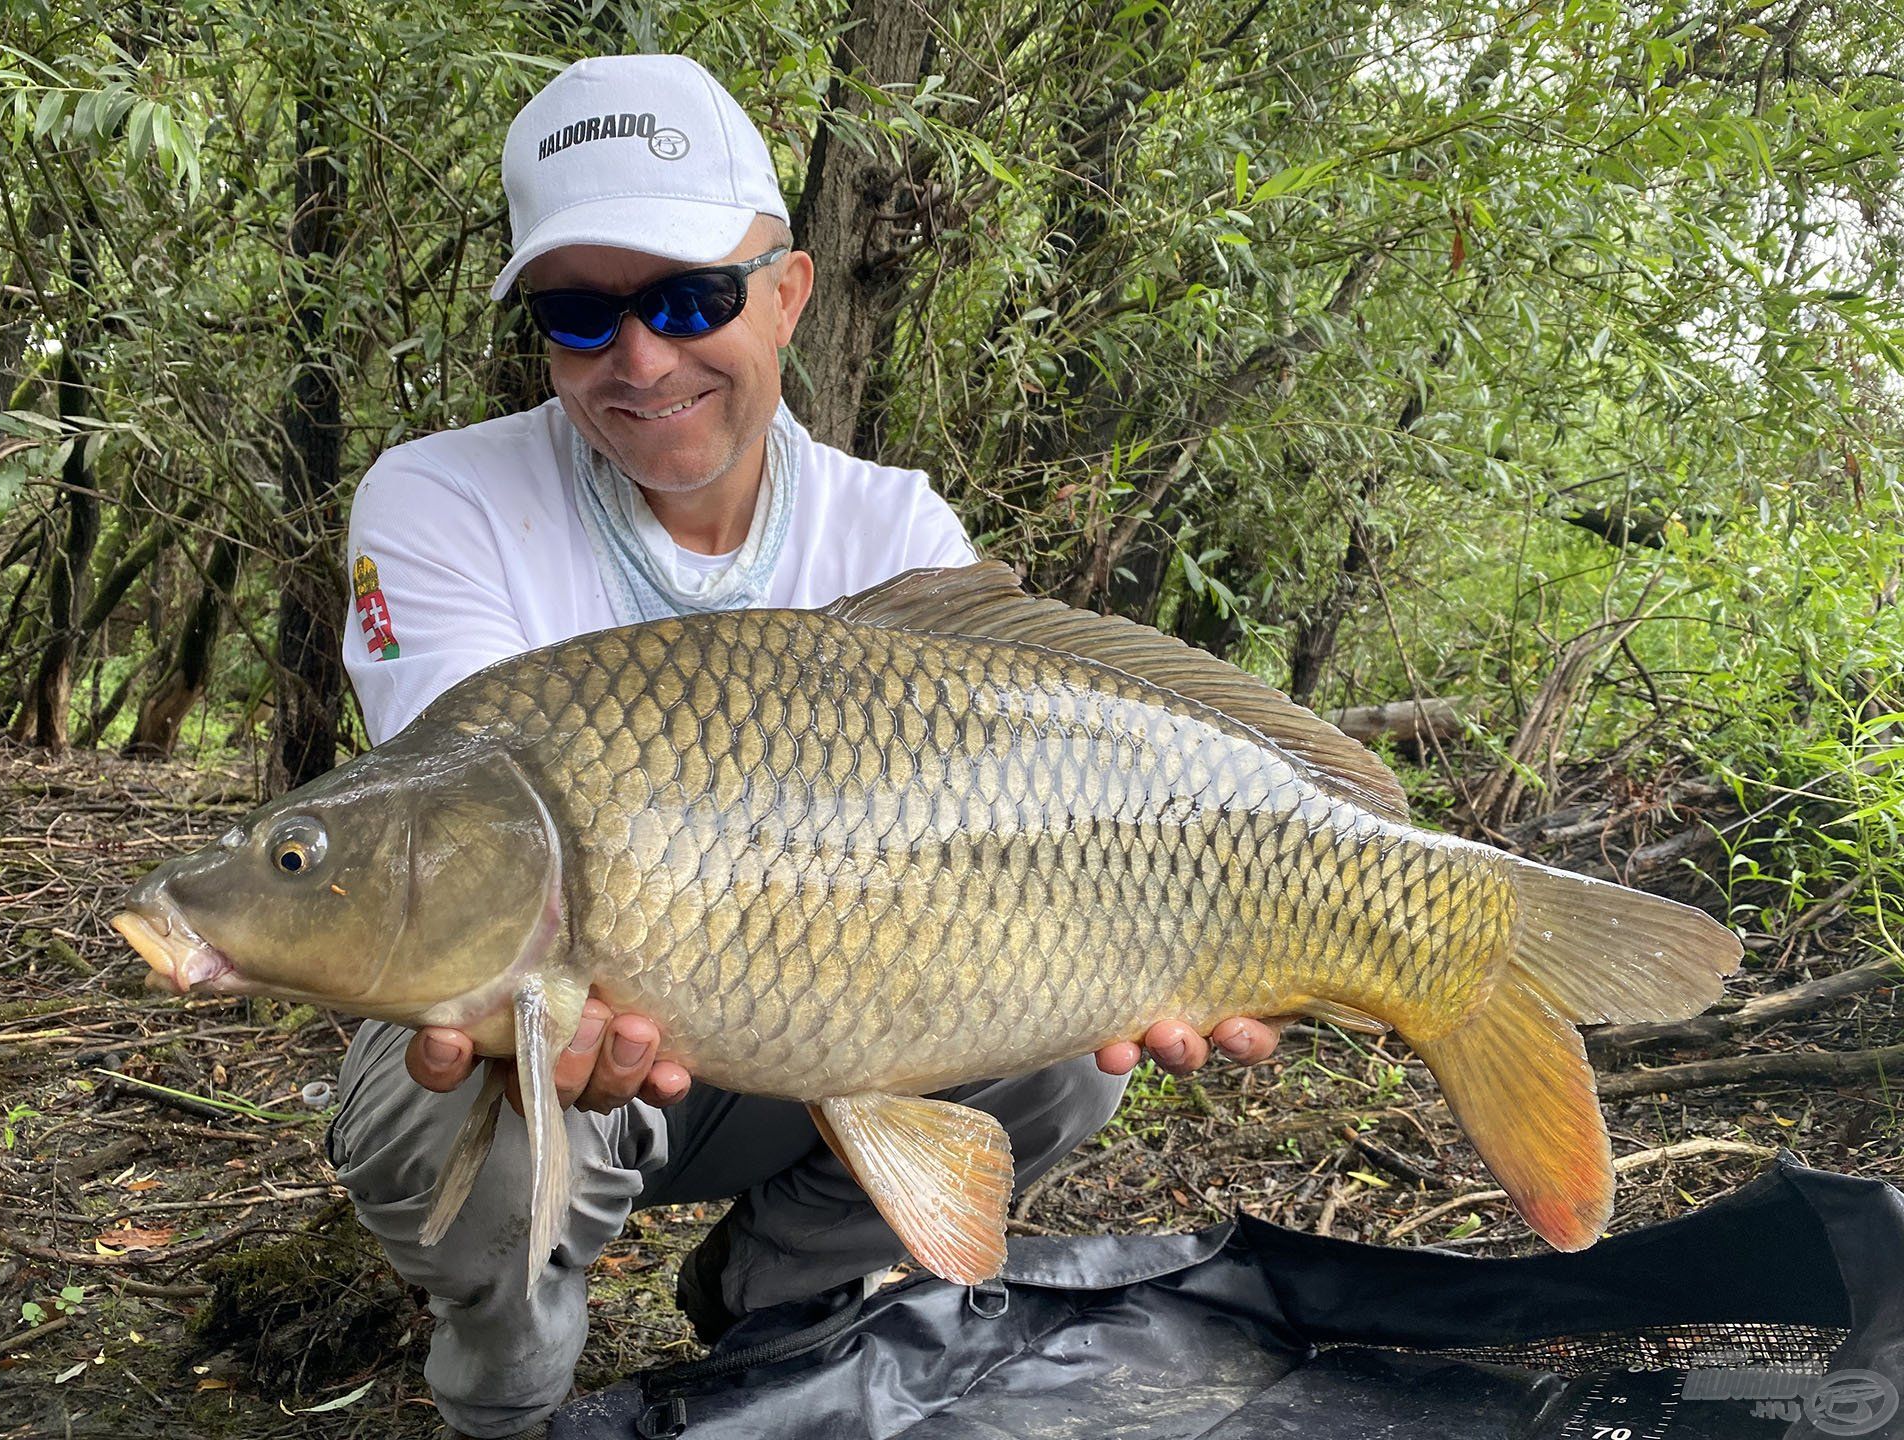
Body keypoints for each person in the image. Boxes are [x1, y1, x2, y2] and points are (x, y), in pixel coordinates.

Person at [324, 54, 1283, 1440]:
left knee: (1073, 1039)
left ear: (789, 290)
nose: (641, 359)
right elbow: (459, 853)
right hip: (578, 1022)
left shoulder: (894, 530)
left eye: (690, 298)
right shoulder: (442, 499)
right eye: (582, 314)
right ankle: (508, 1399)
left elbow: (1018, 836)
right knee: (478, 1052)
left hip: (828, 1012)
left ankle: (781, 1318)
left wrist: (1153, 935)